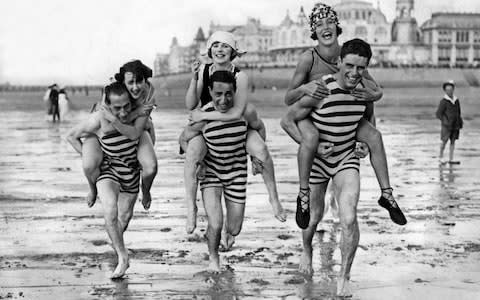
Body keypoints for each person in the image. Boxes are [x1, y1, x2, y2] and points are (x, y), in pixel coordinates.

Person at [280, 2, 406, 229]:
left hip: (344, 113)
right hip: (313, 113)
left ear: (338, 27)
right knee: (310, 139)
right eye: (319, 24)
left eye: (330, 22)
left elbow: (374, 92)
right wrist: (304, 89)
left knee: (375, 136)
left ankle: (387, 195)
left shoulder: (349, 55)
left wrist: (373, 98)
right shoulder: (309, 58)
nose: (325, 27)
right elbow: (288, 99)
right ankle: (303, 196)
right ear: (313, 31)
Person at [298, 38, 383, 296]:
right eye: (349, 66)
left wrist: (365, 147)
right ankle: (306, 249)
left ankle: (344, 276)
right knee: (313, 217)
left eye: (361, 68)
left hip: (346, 158)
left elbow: (369, 125)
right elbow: (288, 119)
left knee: (348, 217)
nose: (354, 73)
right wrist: (309, 143)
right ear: (338, 62)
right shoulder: (322, 88)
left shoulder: (364, 92)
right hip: (318, 160)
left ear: (366, 67)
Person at [180, 31, 285, 238]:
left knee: (261, 150)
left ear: (233, 51)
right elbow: (191, 105)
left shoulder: (240, 75)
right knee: (192, 153)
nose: (220, 50)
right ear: (209, 50)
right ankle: (191, 207)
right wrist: (194, 79)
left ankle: (273, 198)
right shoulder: (203, 70)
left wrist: (205, 116)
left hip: (235, 123)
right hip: (207, 127)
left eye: (225, 46)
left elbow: (238, 111)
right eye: (216, 45)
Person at [186, 71, 285, 272]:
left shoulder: (245, 112)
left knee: (234, 228)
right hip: (212, 173)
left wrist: (254, 157)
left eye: (229, 94)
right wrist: (199, 161)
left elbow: (260, 128)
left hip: (236, 173)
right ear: (210, 92)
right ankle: (213, 257)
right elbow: (183, 138)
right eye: (218, 94)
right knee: (216, 222)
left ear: (235, 92)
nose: (224, 100)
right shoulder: (203, 116)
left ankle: (225, 233)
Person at [66, 82, 140, 279]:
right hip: (108, 172)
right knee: (110, 210)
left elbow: (148, 138)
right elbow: (71, 136)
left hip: (131, 174)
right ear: (106, 104)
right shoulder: (98, 119)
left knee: (124, 218)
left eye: (126, 106)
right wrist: (90, 157)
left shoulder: (138, 117)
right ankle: (123, 257)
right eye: (117, 108)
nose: (123, 112)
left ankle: (116, 243)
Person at [82, 60, 158, 210]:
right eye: (130, 83)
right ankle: (93, 189)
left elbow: (136, 132)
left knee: (149, 127)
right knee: (90, 162)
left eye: (139, 81)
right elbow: (107, 128)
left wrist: (140, 117)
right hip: (106, 123)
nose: (135, 87)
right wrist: (135, 113)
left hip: (130, 123)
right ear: (123, 82)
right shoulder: (112, 91)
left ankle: (146, 190)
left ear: (145, 80)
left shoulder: (150, 95)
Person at [436, 80, 463, 164]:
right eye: (447, 90)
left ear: (453, 89)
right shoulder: (443, 101)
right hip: (446, 125)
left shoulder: (456, 100)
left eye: (451, 90)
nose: (449, 92)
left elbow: (458, 111)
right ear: (445, 91)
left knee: (453, 141)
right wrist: (445, 121)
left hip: (455, 124)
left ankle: (451, 158)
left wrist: (460, 121)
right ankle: (440, 157)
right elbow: (438, 114)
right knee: (444, 141)